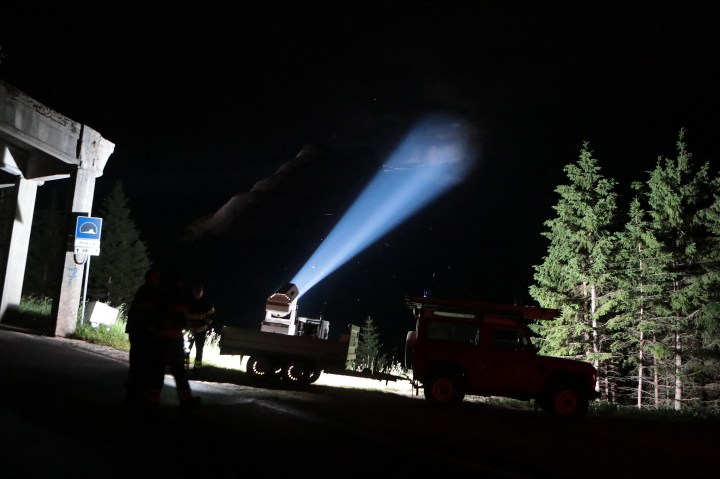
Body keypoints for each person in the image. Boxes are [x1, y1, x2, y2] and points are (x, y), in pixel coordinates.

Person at [145, 275, 201, 410]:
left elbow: (152, 317)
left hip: (159, 340)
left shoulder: (159, 297)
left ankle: (152, 401)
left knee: (157, 372)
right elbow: (182, 321)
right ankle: (186, 401)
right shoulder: (178, 299)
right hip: (173, 341)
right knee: (179, 372)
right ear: (177, 285)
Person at [124, 268, 165, 406]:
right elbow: (145, 311)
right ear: (151, 278)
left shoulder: (146, 290)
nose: (158, 280)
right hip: (140, 332)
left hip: (139, 331)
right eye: (156, 277)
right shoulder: (147, 291)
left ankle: (136, 383)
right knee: (141, 357)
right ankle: (138, 385)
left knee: (139, 358)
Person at [185, 283, 216, 371]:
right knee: (186, 348)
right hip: (190, 330)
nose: (198, 293)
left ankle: (197, 368)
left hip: (201, 330)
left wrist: (206, 324)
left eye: (199, 292)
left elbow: (212, 315)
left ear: (202, 292)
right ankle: (185, 365)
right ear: (194, 292)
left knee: (199, 349)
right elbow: (184, 314)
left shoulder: (206, 304)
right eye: (196, 292)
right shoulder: (189, 302)